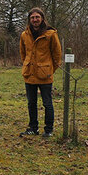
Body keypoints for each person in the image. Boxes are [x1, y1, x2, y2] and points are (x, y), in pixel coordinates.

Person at [19, 7, 62, 138]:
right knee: (31, 103)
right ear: (29, 20)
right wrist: (27, 65)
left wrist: (49, 69)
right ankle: (33, 128)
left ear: (42, 18)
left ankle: (48, 130)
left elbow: (57, 55)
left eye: (37, 17)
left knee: (47, 103)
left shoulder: (51, 34)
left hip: (45, 75)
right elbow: (23, 53)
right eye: (32, 18)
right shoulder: (24, 35)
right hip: (29, 74)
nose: (35, 20)